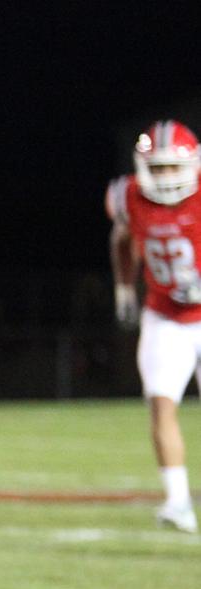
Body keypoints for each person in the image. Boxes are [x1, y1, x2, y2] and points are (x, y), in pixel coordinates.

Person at [107, 119, 201, 533]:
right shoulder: (129, 196)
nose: (163, 176)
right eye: (156, 166)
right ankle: (178, 503)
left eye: (170, 167)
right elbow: (121, 240)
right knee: (161, 406)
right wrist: (125, 289)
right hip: (164, 314)